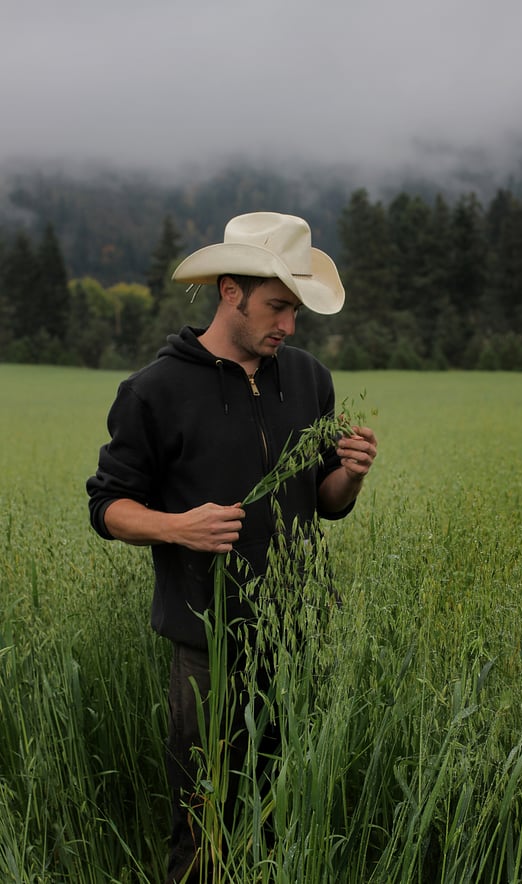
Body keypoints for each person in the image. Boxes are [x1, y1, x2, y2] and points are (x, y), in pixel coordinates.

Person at [86, 211, 377, 882]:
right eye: (278, 307)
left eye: (297, 311)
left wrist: (350, 475)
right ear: (229, 292)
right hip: (207, 645)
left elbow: (326, 505)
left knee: (280, 813)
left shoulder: (309, 379)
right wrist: (175, 526)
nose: (289, 326)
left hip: (297, 634)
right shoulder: (153, 391)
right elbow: (106, 506)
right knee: (201, 824)